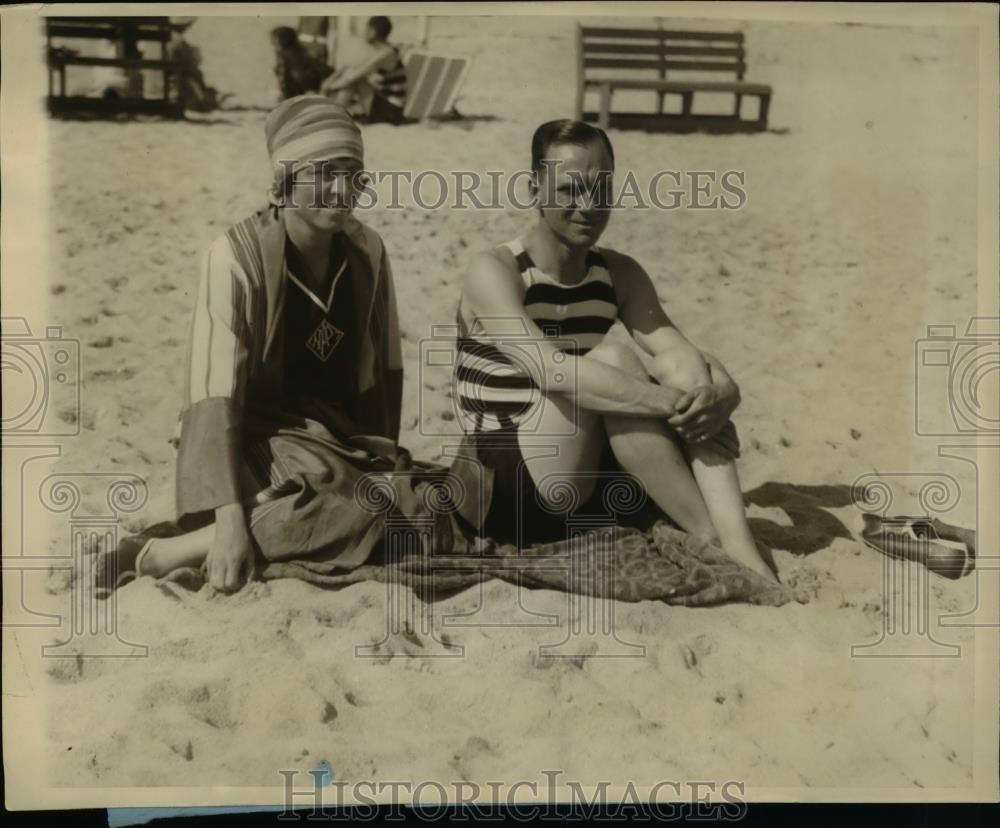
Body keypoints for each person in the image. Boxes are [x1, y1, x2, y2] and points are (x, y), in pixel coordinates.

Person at [95, 96, 405, 596]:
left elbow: (381, 367)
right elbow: (213, 392)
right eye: (324, 172)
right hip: (250, 435)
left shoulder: (367, 250)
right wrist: (232, 519)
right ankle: (166, 552)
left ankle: (204, 540)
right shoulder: (234, 257)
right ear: (285, 180)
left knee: (409, 502)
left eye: (353, 172)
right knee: (340, 504)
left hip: (330, 436)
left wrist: (381, 460)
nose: (342, 189)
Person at [452, 119, 776, 581]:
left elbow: (679, 354)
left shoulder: (618, 273)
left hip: (579, 472)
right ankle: (708, 538)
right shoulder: (496, 268)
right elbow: (550, 371)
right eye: (569, 189)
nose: (588, 206)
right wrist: (671, 405)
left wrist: (717, 392)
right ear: (533, 189)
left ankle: (739, 546)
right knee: (615, 361)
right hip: (499, 484)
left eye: (601, 189)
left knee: (688, 368)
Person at [319, 16, 407, 125]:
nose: (363, 32)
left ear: (373, 32)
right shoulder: (381, 50)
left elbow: (355, 76)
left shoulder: (386, 53)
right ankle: (332, 115)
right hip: (384, 104)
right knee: (352, 77)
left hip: (391, 111)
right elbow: (349, 67)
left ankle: (332, 116)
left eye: (366, 29)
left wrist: (331, 87)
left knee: (356, 81)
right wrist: (329, 81)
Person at [270, 26, 334, 100]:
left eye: (274, 42)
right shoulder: (297, 54)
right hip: (326, 84)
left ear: (281, 41)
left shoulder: (291, 57)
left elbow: (300, 80)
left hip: (327, 86)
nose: (272, 45)